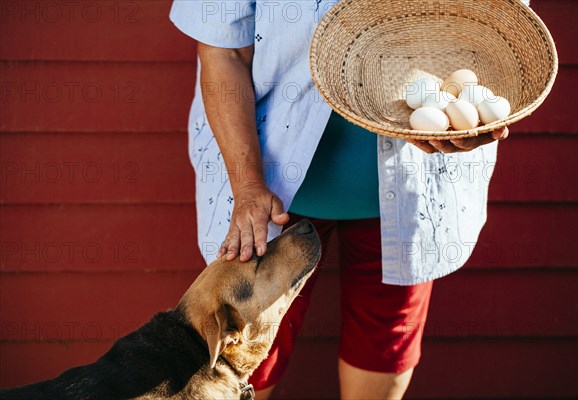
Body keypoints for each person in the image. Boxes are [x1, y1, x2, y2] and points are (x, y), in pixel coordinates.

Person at [169, 0, 530, 398]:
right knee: (247, 346)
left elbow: (498, 25)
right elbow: (225, 48)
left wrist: (462, 109)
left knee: (385, 340)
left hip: (409, 185)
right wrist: (247, 185)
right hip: (270, 184)